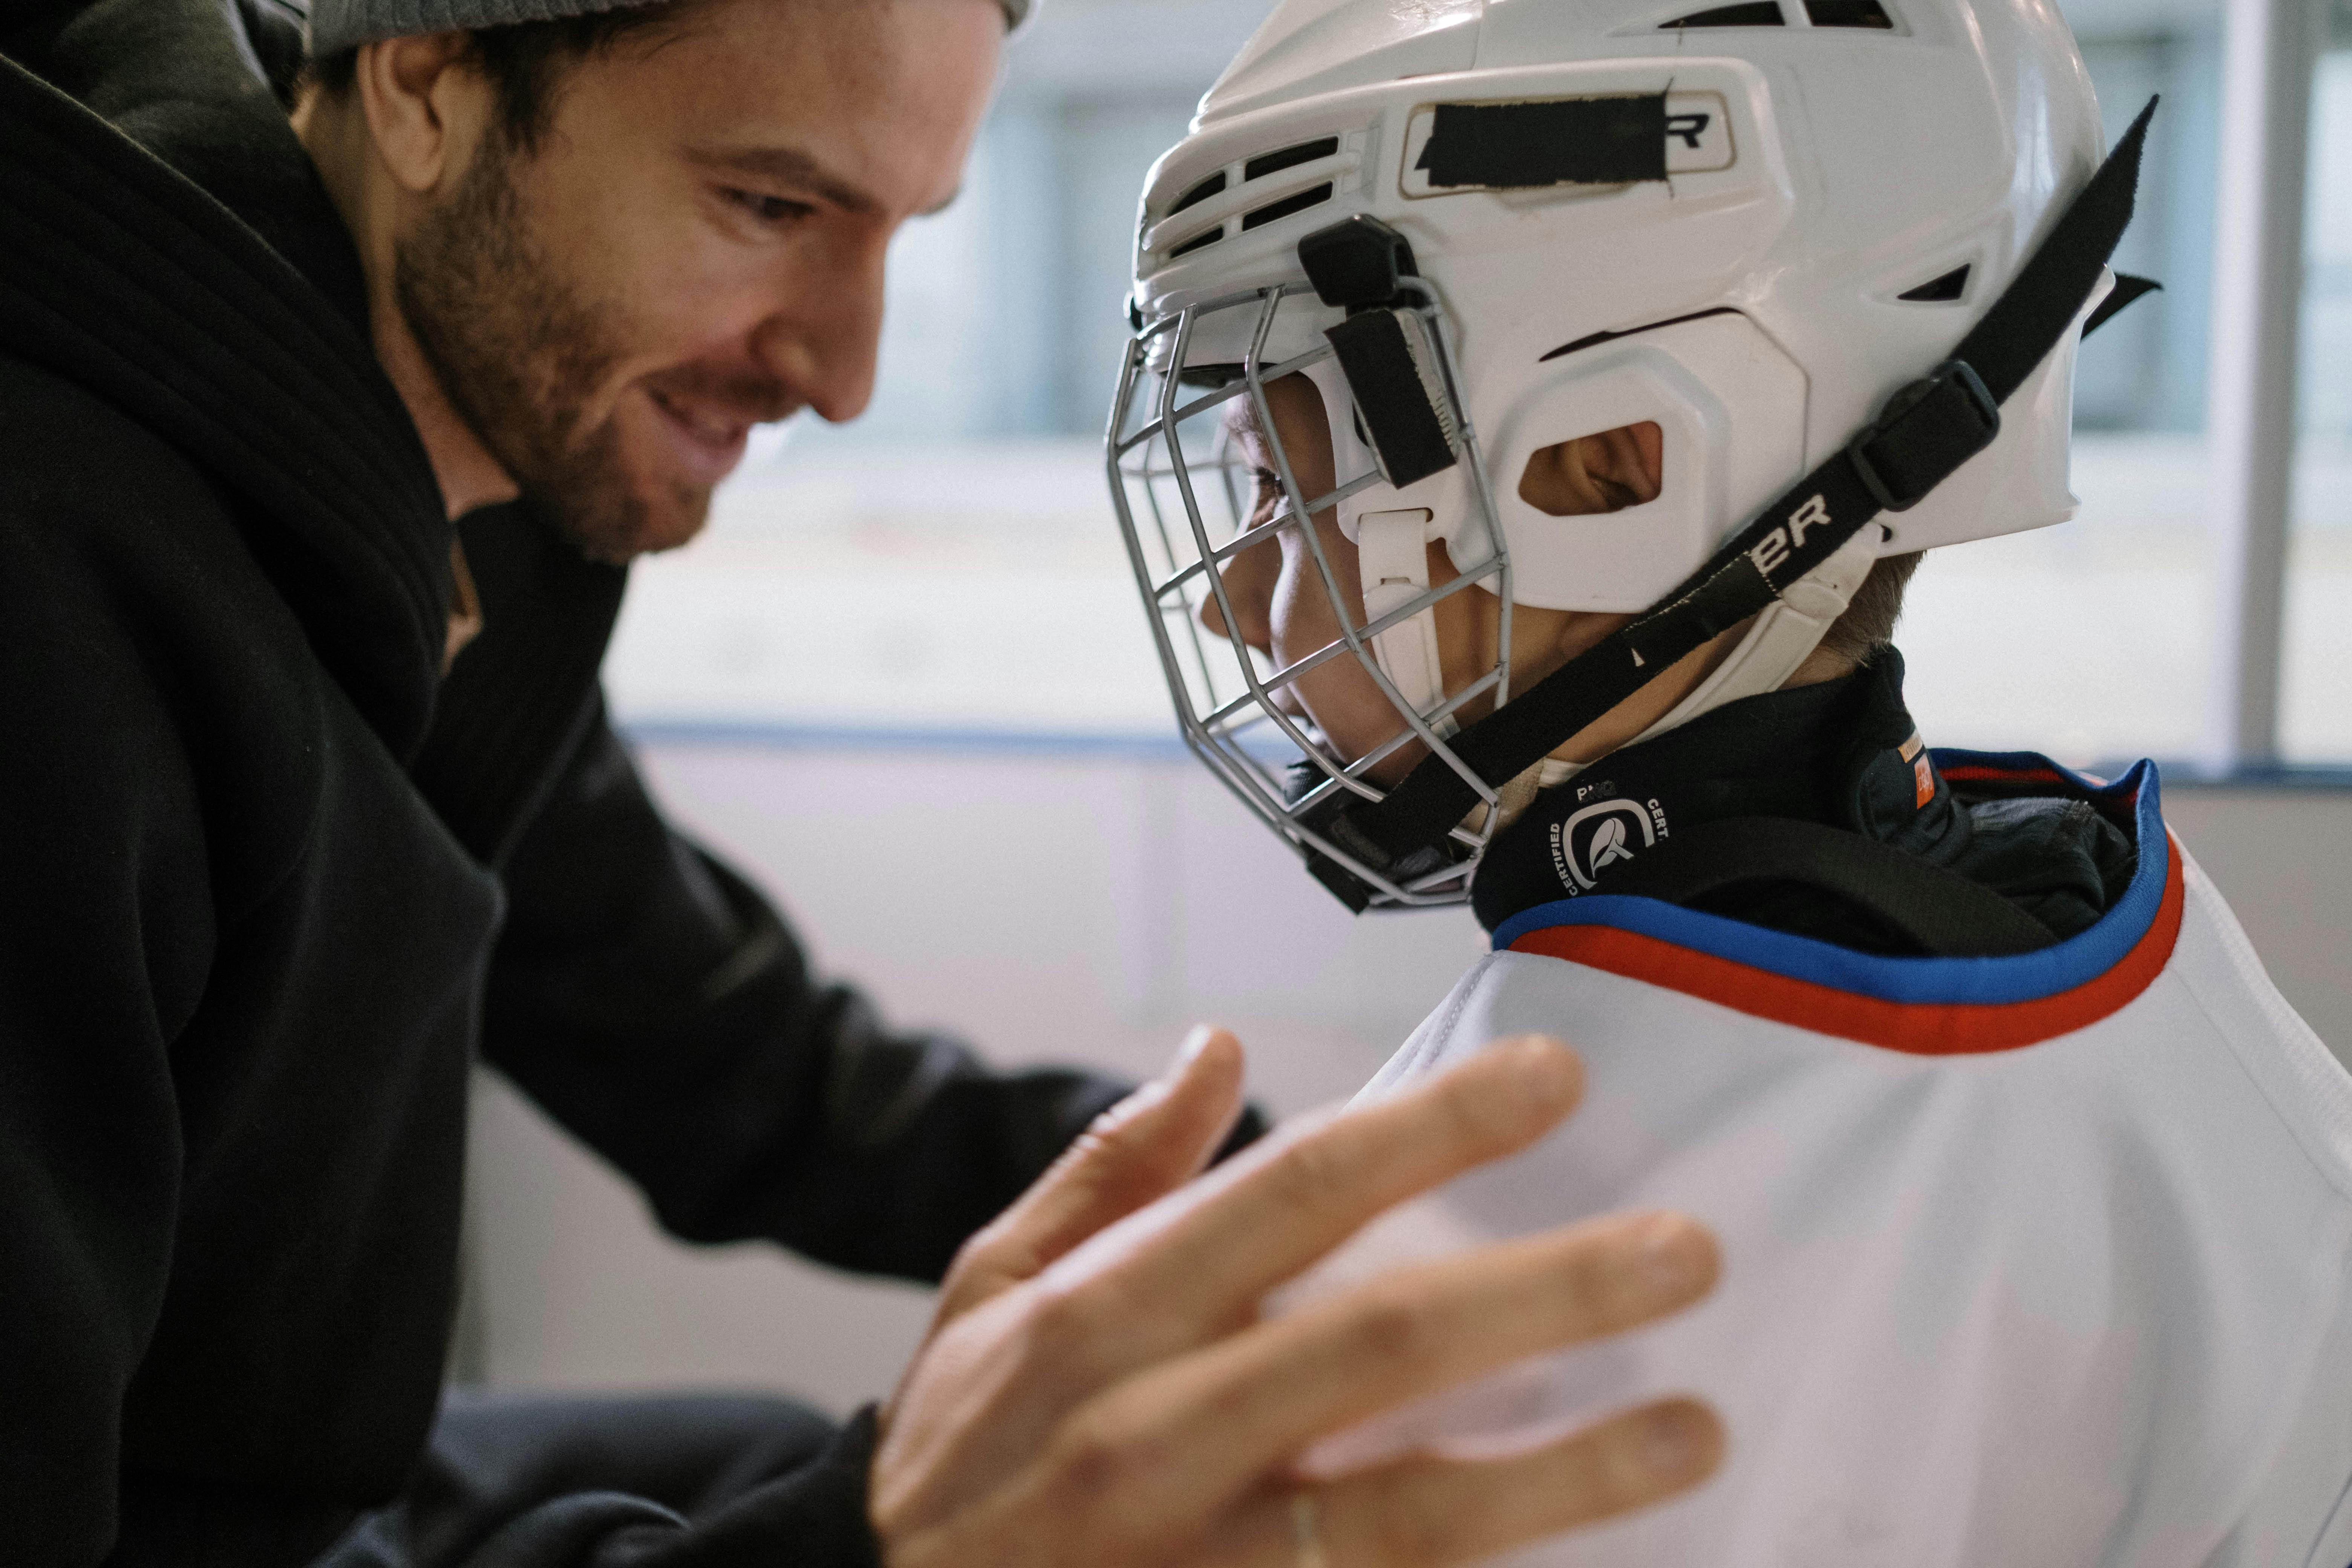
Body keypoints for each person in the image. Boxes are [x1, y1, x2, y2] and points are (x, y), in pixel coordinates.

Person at [0, 0, 1735, 1563]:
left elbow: (720, 1056)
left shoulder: (470, 490)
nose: (845, 373)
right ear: (428, 76)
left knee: (764, 1449)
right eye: (770, 205)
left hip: (278, 1463)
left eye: (899, 233)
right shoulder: (64, 611)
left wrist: (1287, 1212)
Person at [1107, 0, 2352, 1558]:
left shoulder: (1458, 1284)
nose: (1232, 596)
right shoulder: (2196, 995)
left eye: (1281, 491)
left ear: (1614, 465)